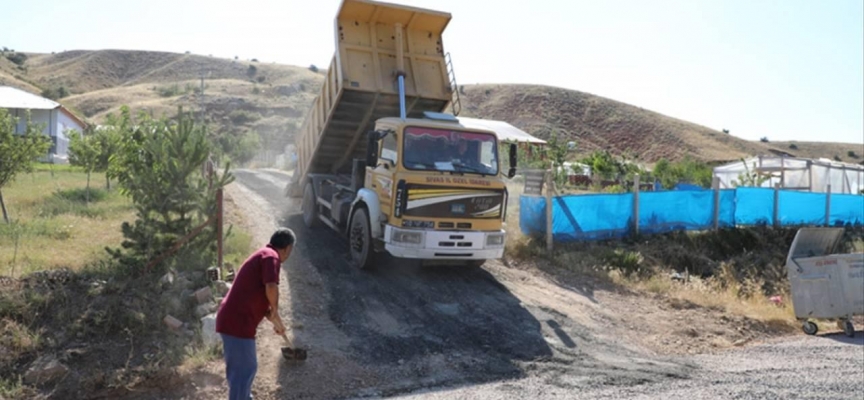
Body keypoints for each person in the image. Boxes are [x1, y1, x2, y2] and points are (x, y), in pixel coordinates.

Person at [216, 228, 295, 400]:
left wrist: (277, 322)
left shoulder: (263, 255)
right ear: (287, 248)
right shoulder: (271, 256)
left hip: (235, 321)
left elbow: (264, 303)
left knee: (245, 369)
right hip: (237, 322)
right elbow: (271, 287)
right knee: (244, 370)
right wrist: (275, 309)